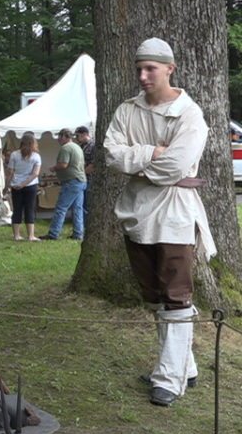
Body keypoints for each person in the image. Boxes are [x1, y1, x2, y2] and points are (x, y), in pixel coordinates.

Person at [103, 37, 215, 407]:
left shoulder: (189, 114)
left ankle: (169, 378)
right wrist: (152, 151)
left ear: (170, 68)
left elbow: (177, 166)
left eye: (150, 68)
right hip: (137, 210)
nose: (143, 75)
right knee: (154, 295)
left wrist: (138, 165)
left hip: (175, 213)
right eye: (139, 68)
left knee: (176, 295)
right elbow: (111, 154)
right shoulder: (127, 110)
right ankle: (185, 366)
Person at [43, 128, 86, 240]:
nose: (58, 139)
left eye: (59, 137)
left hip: (71, 181)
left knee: (61, 208)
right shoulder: (77, 147)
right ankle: (78, 233)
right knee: (77, 208)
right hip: (80, 180)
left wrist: (53, 168)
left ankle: (53, 233)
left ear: (64, 137)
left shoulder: (66, 148)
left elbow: (63, 164)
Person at [6, 132, 42, 241]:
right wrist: (24, 184)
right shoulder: (36, 156)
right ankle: (31, 235)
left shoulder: (14, 154)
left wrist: (7, 186)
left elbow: (10, 172)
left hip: (16, 185)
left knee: (17, 209)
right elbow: (35, 174)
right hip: (31, 185)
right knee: (29, 209)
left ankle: (16, 235)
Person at [74, 125, 95, 226]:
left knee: (87, 203)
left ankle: (87, 225)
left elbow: (93, 165)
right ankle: (81, 226)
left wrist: (81, 174)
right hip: (81, 179)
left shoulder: (93, 145)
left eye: (78, 136)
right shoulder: (80, 146)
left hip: (89, 179)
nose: (76, 138)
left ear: (84, 134)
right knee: (80, 204)